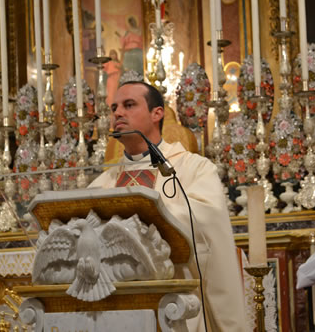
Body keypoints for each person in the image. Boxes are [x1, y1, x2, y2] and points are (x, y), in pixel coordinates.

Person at [88, 81, 246, 332]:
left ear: (157, 113)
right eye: (114, 107)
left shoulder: (194, 169)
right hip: (115, 308)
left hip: (178, 305)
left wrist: (144, 218)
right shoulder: (102, 183)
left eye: (129, 105)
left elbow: (207, 227)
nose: (117, 113)